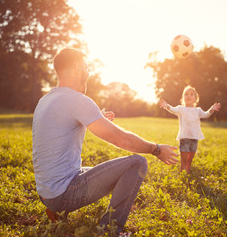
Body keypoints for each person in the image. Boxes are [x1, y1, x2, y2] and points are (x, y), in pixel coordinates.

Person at [32, 48, 178, 235]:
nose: (88, 72)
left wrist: (97, 117)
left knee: (96, 171)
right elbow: (121, 138)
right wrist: (156, 149)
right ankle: (109, 230)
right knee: (137, 163)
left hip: (46, 193)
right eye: (86, 67)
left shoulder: (46, 100)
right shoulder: (77, 100)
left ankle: (54, 210)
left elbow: (61, 127)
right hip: (63, 194)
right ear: (77, 68)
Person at [158, 85, 221, 174]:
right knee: (184, 159)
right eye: (186, 94)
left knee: (190, 159)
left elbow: (206, 114)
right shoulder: (181, 109)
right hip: (184, 138)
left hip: (194, 138)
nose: (188, 96)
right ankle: (182, 174)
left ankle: (187, 172)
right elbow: (173, 109)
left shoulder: (198, 110)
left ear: (196, 98)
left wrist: (211, 109)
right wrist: (166, 106)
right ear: (183, 98)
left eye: (191, 94)